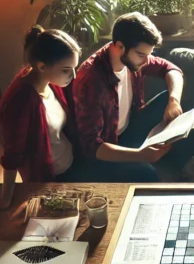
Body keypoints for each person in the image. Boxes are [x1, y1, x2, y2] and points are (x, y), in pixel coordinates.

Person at [68, 12, 186, 182]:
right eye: (141, 55)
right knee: (148, 174)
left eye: (149, 54)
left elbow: (171, 70)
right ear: (120, 46)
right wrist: (140, 156)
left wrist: (174, 100)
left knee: (171, 99)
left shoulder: (132, 60)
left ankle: (182, 164)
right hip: (107, 149)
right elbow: (92, 147)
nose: (147, 61)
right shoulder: (91, 80)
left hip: (129, 128)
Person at [0, 26, 81, 213]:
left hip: (72, 161)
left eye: (74, 68)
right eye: (67, 70)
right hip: (51, 178)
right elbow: (12, 154)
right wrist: (5, 197)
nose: (73, 76)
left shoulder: (51, 82)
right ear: (42, 67)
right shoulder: (20, 101)